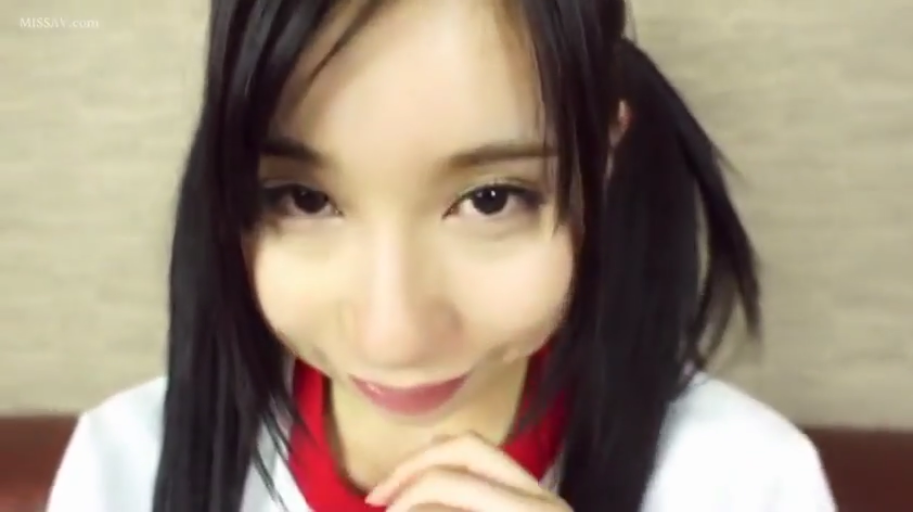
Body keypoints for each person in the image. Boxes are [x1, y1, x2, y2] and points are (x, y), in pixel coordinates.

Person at [46, 0, 837, 511]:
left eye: (490, 198)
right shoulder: (125, 469)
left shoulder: (741, 481)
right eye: (305, 199)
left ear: (600, 159)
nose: (393, 338)